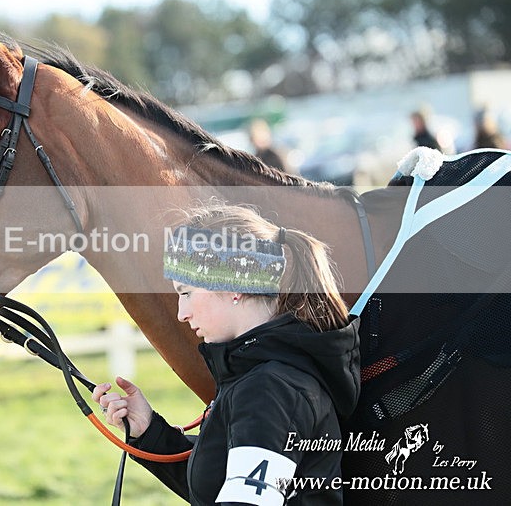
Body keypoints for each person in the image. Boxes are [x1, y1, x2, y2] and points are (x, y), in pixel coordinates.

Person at [92, 203, 360, 505]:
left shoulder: (269, 389)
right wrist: (148, 431)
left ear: (234, 286)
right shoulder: (266, 375)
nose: (181, 313)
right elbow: (222, 486)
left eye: (186, 293)